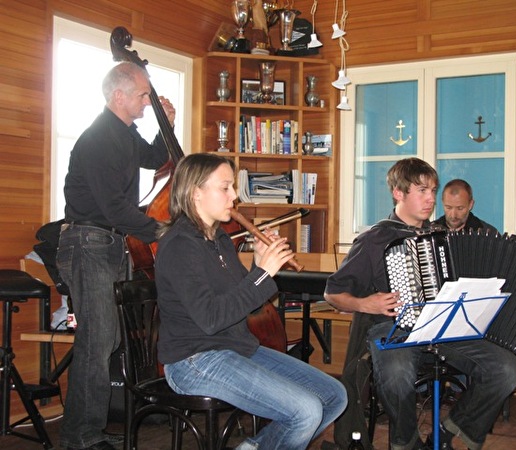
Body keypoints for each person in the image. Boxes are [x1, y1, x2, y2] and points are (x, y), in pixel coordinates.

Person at [324, 158, 516, 450]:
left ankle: (448, 432)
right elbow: (333, 293)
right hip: (394, 330)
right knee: (398, 373)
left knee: (506, 369)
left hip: (446, 330)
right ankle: (405, 442)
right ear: (398, 193)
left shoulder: (444, 237)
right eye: (422, 191)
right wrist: (368, 304)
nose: (430, 199)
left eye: (432, 191)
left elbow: (493, 287)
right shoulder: (375, 239)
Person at [154, 153, 347, 450]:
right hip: (193, 361)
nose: (234, 196)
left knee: (334, 396)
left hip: (235, 348)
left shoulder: (218, 241)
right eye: (225, 187)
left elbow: (251, 307)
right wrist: (264, 274)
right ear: (196, 193)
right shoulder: (179, 246)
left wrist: (259, 267)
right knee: (305, 411)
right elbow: (211, 319)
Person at [56, 61, 175, 450]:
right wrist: (163, 233)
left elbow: (156, 158)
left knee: (105, 340)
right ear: (118, 95)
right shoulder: (99, 138)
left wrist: (166, 125)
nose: (148, 101)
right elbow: (113, 209)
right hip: (89, 243)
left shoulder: (123, 134)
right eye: (143, 95)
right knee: (98, 340)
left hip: (107, 243)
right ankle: (81, 437)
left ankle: (88, 430)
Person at [433, 179, 497, 233]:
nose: (453, 215)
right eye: (448, 207)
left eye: (460, 208)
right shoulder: (431, 232)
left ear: (470, 205)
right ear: (442, 202)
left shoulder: (487, 233)